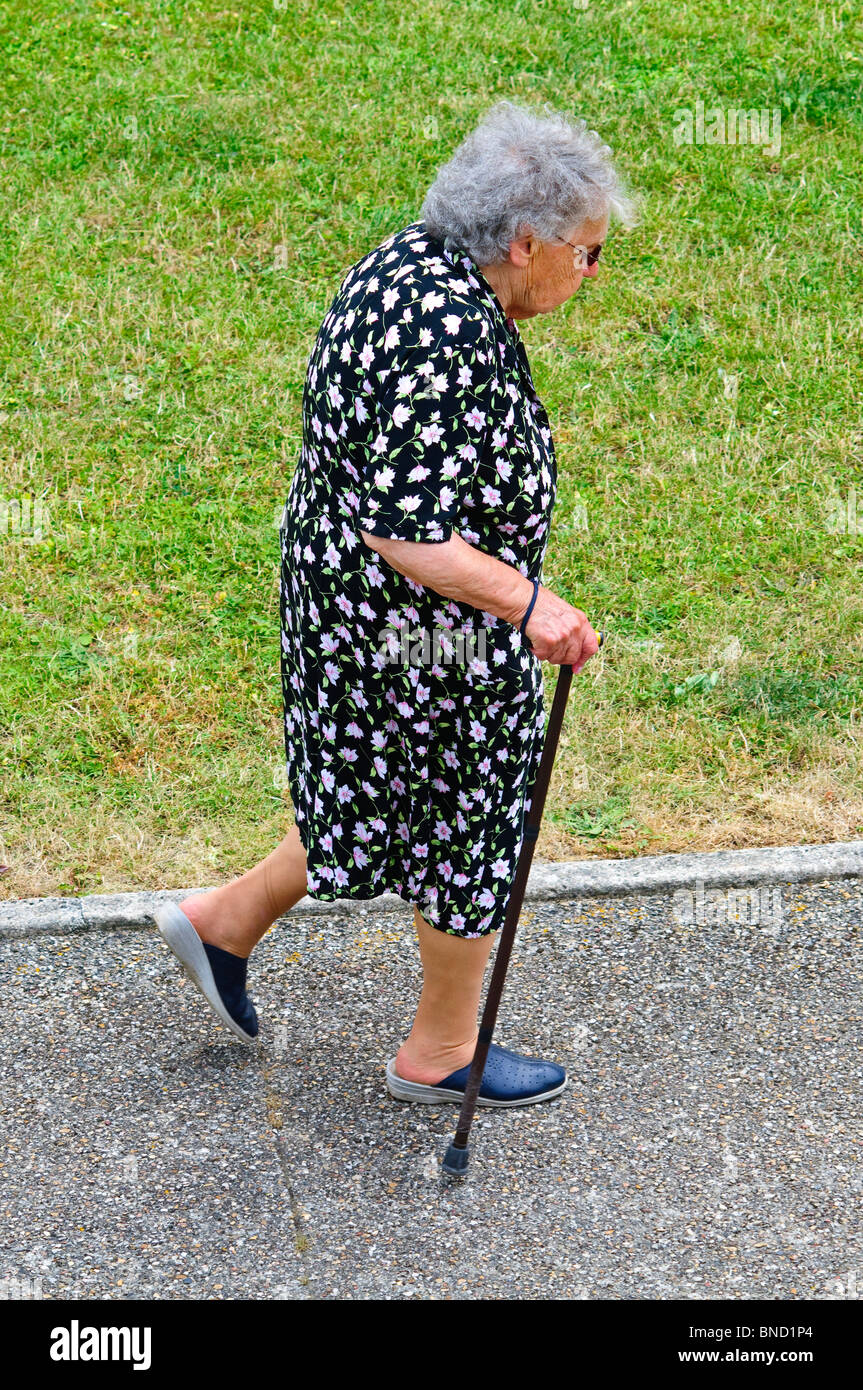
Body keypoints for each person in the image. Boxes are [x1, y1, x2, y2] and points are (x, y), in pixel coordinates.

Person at [155, 100, 636, 1108]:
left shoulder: (410, 264)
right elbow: (408, 531)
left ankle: (219, 925)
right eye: (585, 253)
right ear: (522, 241)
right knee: (470, 817)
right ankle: (439, 1052)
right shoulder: (443, 329)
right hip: (418, 630)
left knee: (373, 797)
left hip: (352, 613)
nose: (590, 273)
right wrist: (529, 605)